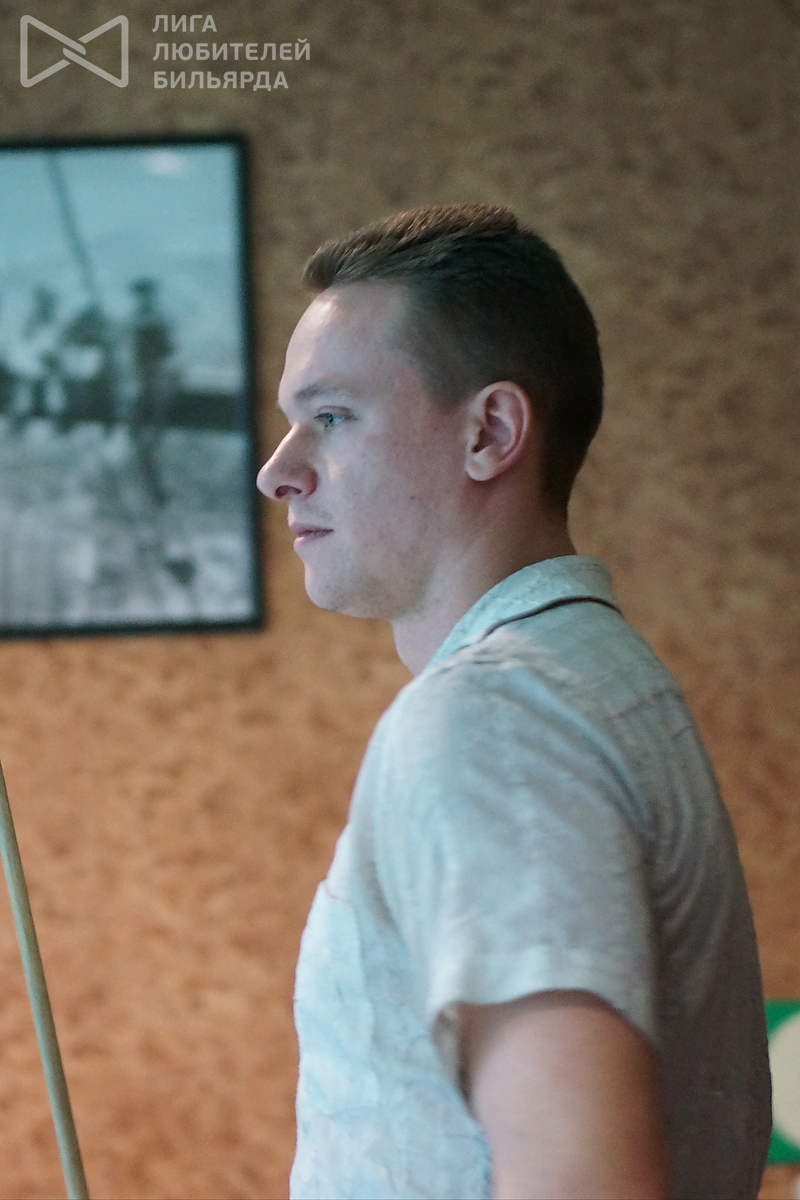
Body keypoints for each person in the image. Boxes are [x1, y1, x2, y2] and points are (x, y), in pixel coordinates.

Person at [257, 204, 772, 1200]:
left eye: (332, 417)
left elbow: (582, 1181)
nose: (278, 471)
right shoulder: (592, 683)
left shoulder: (491, 721)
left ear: (489, 432)